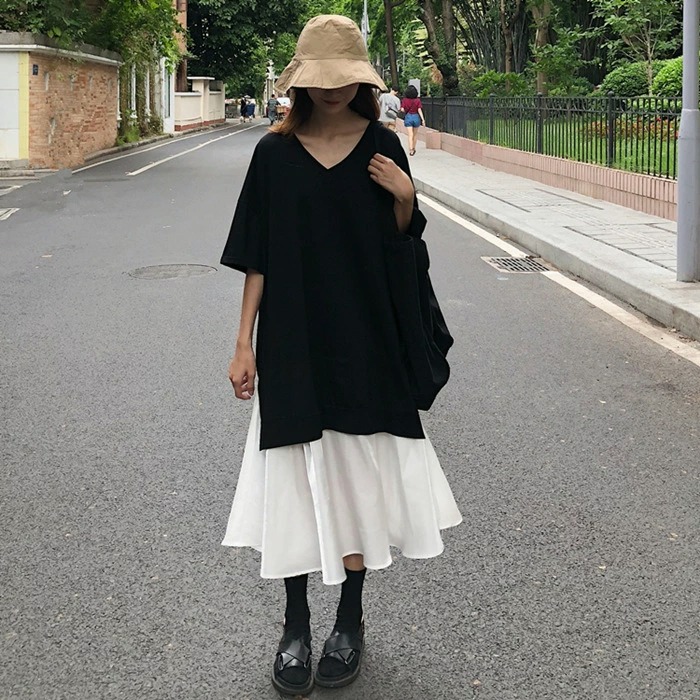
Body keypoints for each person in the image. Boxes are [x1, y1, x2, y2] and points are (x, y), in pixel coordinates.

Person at [220, 14, 461, 697]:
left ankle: (349, 621)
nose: (332, 91)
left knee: (356, 478)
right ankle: (295, 625)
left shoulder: (383, 145)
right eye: (320, 79)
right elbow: (258, 256)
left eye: (343, 78)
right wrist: (243, 342)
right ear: (301, 82)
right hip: (293, 338)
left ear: (361, 80)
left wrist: (406, 199)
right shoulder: (273, 154)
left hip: (367, 335)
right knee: (295, 477)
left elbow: (401, 249)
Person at [401, 84, 425, 156]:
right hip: (416, 117)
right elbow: (419, 110)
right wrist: (423, 119)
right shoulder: (417, 100)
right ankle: (414, 148)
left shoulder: (404, 100)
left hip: (408, 117)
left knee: (410, 134)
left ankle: (411, 149)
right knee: (415, 134)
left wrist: (404, 110)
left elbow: (402, 109)